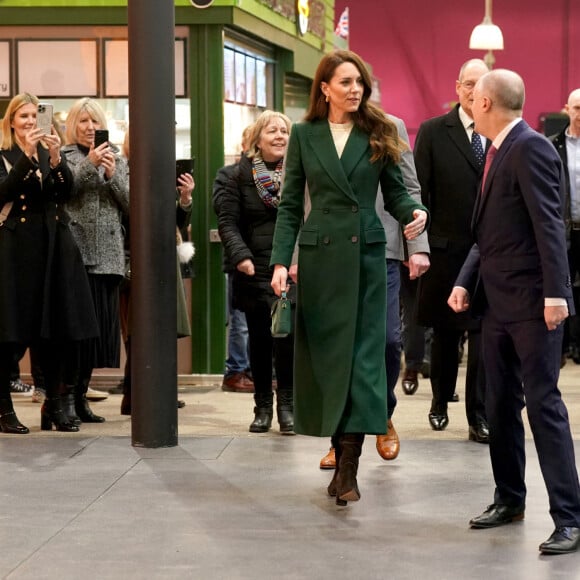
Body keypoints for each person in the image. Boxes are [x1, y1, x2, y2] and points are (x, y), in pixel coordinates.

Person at [270, 49, 427, 506]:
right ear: (325, 88)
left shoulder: (377, 131)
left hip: (366, 258)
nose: (355, 89)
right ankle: (340, 456)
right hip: (319, 260)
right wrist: (281, 262)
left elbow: (398, 194)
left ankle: (350, 469)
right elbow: (287, 206)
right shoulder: (304, 135)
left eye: (359, 82)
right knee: (330, 360)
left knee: (365, 357)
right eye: (345, 82)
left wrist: (415, 215)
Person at [448, 69, 580, 555]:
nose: (467, 103)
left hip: (531, 305)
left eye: (472, 97)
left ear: (484, 102)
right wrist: (465, 281)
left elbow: (550, 226)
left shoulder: (531, 148)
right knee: (501, 405)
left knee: (544, 407)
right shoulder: (499, 150)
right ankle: (510, 498)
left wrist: (556, 295)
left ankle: (569, 516)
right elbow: (492, 233)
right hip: (495, 304)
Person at [319, 114, 430, 469]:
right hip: (331, 250)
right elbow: (305, 195)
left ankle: (381, 413)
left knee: (387, 340)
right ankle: (341, 439)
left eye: (357, 84)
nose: (353, 91)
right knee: (340, 347)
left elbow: (409, 189)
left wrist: (418, 247)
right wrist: (293, 257)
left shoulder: (390, 125)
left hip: (381, 248)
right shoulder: (315, 131)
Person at [0, 92, 98, 434]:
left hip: (54, 249)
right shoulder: (5, 153)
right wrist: (27, 155)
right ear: (11, 120)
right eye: (23, 116)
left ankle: (54, 406)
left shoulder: (48, 151)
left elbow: (66, 192)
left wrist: (55, 159)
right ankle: (3, 409)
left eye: (34, 116)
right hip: (15, 252)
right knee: (11, 335)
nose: (30, 122)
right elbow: (3, 191)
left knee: (57, 331)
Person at [414, 58, 489, 442]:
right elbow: (419, 194)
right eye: (469, 84)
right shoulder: (432, 131)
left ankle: (478, 415)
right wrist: (420, 246)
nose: (475, 90)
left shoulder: (498, 130)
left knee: (482, 335)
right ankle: (440, 401)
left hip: (489, 251)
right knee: (445, 335)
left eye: (482, 84)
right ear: (457, 87)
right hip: (446, 251)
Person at [217, 110, 295, 434]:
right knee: (260, 340)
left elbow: (306, 217)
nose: (279, 136)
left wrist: (297, 258)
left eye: (284, 131)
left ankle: (288, 405)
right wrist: (241, 257)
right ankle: (262, 406)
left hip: (291, 267)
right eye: (272, 131)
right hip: (252, 268)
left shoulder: (299, 176)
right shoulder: (234, 175)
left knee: (288, 339)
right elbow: (227, 222)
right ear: (257, 139)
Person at [61, 97, 129, 424]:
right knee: (77, 333)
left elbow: (132, 205)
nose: (89, 128)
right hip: (77, 255)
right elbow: (66, 190)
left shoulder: (117, 155)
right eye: (83, 121)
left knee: (99, 333)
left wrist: (114, 174)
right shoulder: (64, 156)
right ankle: (68, 398)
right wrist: (90, 162)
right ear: (73, 124)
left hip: (109, 257)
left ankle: (82, 396)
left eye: (94, 121)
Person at [117, 128, 193, 415]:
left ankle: (157, 389)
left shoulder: (162, 172)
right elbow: (128, 213)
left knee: (161, 327)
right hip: (133, 259)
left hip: (163, 257)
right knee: (136, 331)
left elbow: (176, 221)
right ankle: (134, 394)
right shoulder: (123, 170)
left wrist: (185, 198)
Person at [212, 125, 254, 394]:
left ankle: (249, 369)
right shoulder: (229, 174)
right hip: (239, 259)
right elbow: (222, 211)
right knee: (239, 321)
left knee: (260, 322)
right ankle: (235, 371)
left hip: (265, 258)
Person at [551, 88, 580, 364]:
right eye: (577, 108)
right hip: (563, 229)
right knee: (561, 285)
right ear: (567, 110)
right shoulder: (551, 145)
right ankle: (558, 349)